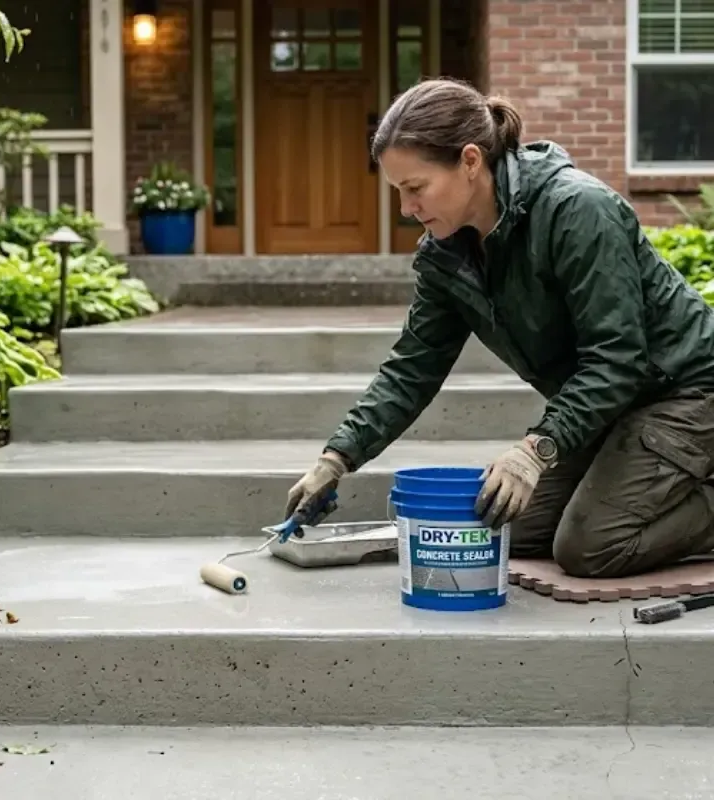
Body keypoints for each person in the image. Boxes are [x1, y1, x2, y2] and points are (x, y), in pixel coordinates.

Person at [284, 77, 714, 580]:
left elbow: (618, 360)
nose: (406, 208)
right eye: (399, 192)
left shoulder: (577, 210)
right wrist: (337, 458)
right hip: (614, 409)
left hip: (686, 393)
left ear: (470, 161)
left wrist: (535, 451)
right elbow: (412, 370)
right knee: (500, 523)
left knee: (591, 546)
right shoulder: (448, 254)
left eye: (415, 188)